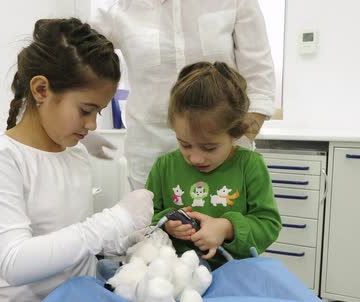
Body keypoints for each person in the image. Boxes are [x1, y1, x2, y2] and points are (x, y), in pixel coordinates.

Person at [0, 18, 154, 302]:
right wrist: (115, 219)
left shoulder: (76, 153)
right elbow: (15, 262)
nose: (93, 124)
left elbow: (71, 237)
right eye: (86, 110)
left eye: (98, 112)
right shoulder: (0, 159)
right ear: (41, 89)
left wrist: (125, 240)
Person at [91, 0, 276, 189]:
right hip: (150, 153)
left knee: (228, 217)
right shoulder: (118, 7)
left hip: (222, 153)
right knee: (156, 217)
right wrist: (83, 125)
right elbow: (75, 59)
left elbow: (260, 82)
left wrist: (239, 144)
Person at [145, 62, 281, 269]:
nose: (196, 158)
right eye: (185, 144)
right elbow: (145, 218)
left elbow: (268, 225)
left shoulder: (249, 166)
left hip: (232, 274)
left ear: (235, 132)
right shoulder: (164, 167)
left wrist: (226, 228)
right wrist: (166, 224)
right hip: (172, 273)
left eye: (209, 148)